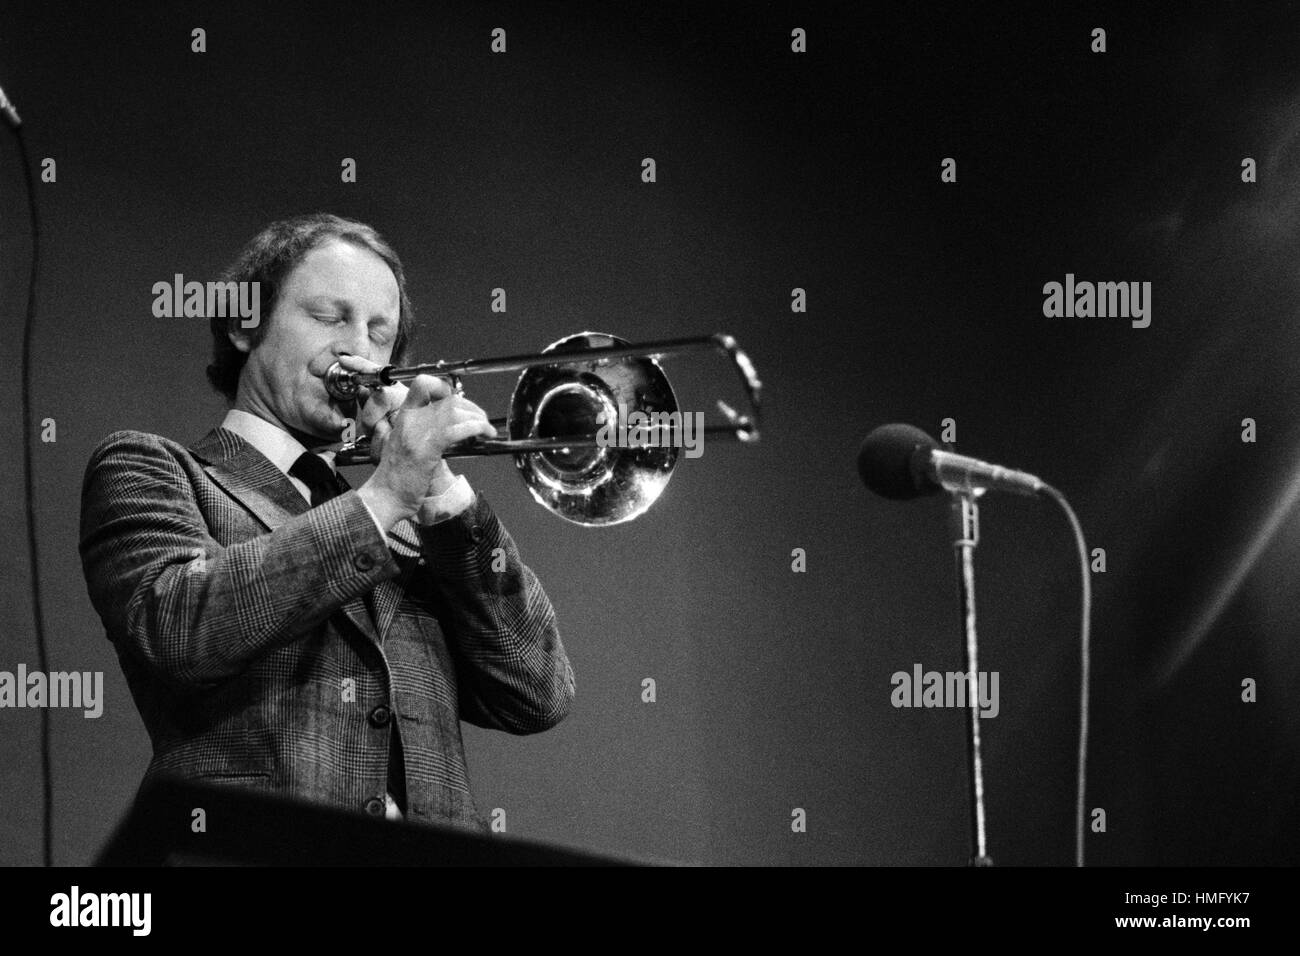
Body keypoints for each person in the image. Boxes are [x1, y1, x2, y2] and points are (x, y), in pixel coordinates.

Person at [79, 213, 575, 833]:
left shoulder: (413, 521)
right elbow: (179, 630)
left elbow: (535, 694)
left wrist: (442, 496)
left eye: (379, 331)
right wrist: (389, 489)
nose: (359, 351)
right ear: (243, 323)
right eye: (330, 317)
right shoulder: (152, 467)